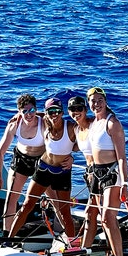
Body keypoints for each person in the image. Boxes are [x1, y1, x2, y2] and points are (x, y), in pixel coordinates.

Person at [9, 98, 77, 238]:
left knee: (64, 212)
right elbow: (33, 114)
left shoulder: (70, 127)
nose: (55, 115)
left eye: (58, 111)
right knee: (27, 205)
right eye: (51, 111)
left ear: (62, 112)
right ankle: (8, 239)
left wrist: (72, 158)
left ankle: (73, 246)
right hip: (43, 169)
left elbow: (84, 141)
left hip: (62, 173)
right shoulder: (45, 122)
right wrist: (18, 115)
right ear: (47, 113)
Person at [0, 94, 56, 237]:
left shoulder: (43, 123)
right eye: (25, 111)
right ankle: (7, 235)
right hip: (21, 161)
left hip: (40, 161)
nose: (29, 114)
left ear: (36, 109)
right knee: (11, 198)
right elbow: (0, 152)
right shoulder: (14, 125)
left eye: (32, 110)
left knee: (54, 197)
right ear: (19, 112)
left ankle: (62, 233)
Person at [87, 87, 128, 256]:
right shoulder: (94, 123)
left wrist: (125, 183)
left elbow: (121, 157)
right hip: (96, 173)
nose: (96, 104)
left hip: (112, 174)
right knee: (98, 218)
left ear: (105, 101)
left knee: (107, 218)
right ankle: (111, 254)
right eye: (93, 101)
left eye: (99, 100)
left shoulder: (112, 124)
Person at [67, 96, 101, 249]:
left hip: (102, 174)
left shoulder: (94, 124)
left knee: (96, 213)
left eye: (79, 109)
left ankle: (86, 250)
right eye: (73, 110)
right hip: (89, 175)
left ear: (86, 110)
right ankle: (85, 249)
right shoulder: (75, 129)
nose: (76, 112)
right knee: (93, 213)